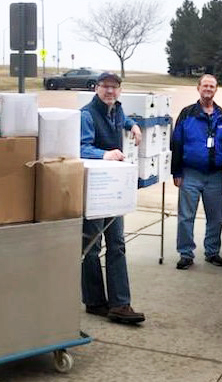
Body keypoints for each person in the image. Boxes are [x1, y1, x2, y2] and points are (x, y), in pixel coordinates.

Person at [80, 71, 145, 324]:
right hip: (96, 189)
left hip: (114, 190)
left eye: (115, 88)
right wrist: (104, 154)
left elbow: (123, 119)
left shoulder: (116, 109)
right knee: (92, 246)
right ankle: (94, 301)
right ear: (96, 88)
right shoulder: (87, 114)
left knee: (117, 243)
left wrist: (134, 126)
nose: (110, 92)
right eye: (105, 87)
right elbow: (80, 146)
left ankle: (120, 303)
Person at [171, 74, 222, 270]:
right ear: (198, 88)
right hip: (190, 172)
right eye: (205, 85)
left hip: (215, 174)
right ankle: (186, 253)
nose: (208, 89)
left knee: (215, 216)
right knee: (186, 216)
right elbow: (177, 143)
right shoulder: (187, 114)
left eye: (212, 86)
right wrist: (176, 172)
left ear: (216, 90)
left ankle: (212, 251)